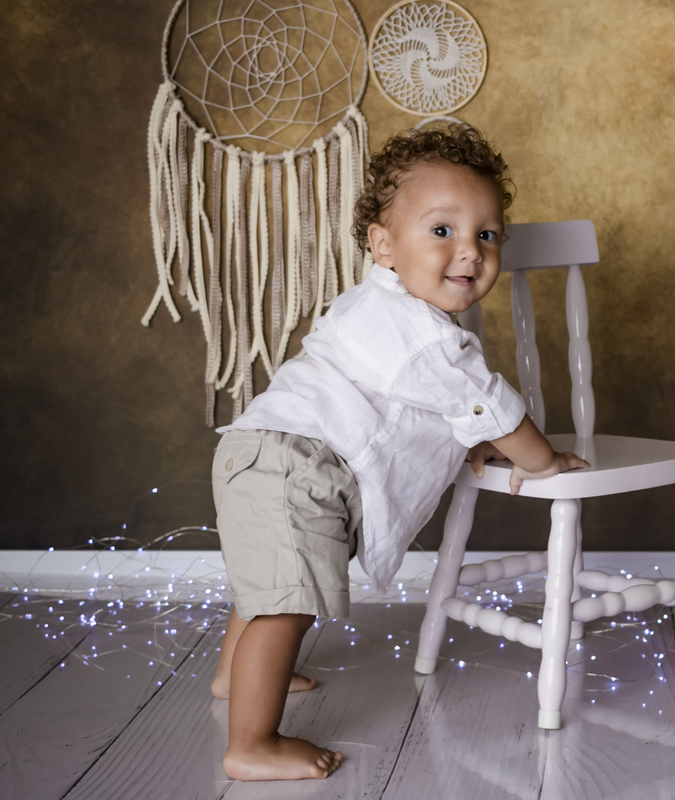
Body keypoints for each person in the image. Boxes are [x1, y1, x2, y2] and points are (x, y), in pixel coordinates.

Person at [208, 124, 588, 781]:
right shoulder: (425, 337)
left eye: (487, 234)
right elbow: (490, 404)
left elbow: (417, 410)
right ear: (383, 245)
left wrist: (469, 442)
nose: (469, 250)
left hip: (271, 454)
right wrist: (542, 461)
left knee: (272, 582)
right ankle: (252, 743)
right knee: (286, 604)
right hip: (298, 466)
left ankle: (232, 678)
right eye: (441, 230)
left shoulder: (379, 307)